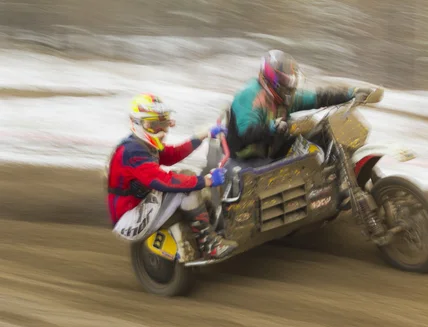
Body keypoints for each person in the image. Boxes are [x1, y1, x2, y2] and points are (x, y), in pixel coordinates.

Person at [105, 93, 238, 261]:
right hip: (129, 220)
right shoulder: (133, 151)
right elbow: (163, 181)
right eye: (153, 125)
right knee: (187, 185)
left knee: (191, 183)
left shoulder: (142, 144)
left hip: (140, 207)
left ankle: (207, 229)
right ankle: (209, 245)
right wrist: (207, 180)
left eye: (163, 124)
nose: (160, 131)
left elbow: (173, 154)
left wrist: (204, 134)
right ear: (137, 124)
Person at [225, 49, 373, 164]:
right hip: (247, 156)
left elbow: (318, 98)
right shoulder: (251, 96)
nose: (288, 84)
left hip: (271, 147)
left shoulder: (284, 98)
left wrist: (351, 93)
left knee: (320, 135)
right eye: (283, 79)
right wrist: (272, 127)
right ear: (270, 78)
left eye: (290, 80)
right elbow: (247, 132)